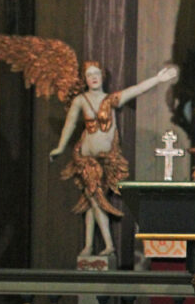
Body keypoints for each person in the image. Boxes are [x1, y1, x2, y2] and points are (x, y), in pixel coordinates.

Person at [49, 62, 177, 257]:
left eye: (96, 73)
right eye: (89, 74)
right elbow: (70, 124)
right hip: (86, 158)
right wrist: (60, 147)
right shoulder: (80, 100)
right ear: (84, 79)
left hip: (108, 159)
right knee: (94, 198)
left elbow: (136, 90)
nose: (93, 77)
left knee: (92, 200)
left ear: (102, 76)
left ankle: (89, 246)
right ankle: (108, 245)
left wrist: (158, 79)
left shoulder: (111, 99)